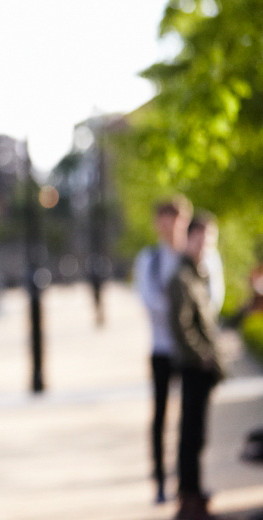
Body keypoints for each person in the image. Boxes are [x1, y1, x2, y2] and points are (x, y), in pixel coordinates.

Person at [134, 195, 192, 504]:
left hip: (190, 350)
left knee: (190, 417)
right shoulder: (149, 259)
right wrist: (178, 311)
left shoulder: (196, 256)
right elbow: (147, 299)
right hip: (161, 347)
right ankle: (160, 479)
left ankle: (186, 478)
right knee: (160, 415)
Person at [169, 213, 224, 520]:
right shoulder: (182, 277)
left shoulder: (199, 274)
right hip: (193, 367)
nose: (205, 245)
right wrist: (202, 355)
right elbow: (182, 328)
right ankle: (188, 498)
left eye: (209, 240)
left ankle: (194, 492)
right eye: (201, 239)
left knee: (197, 435)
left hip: (202, 366)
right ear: (189, 239)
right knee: (190, 435)